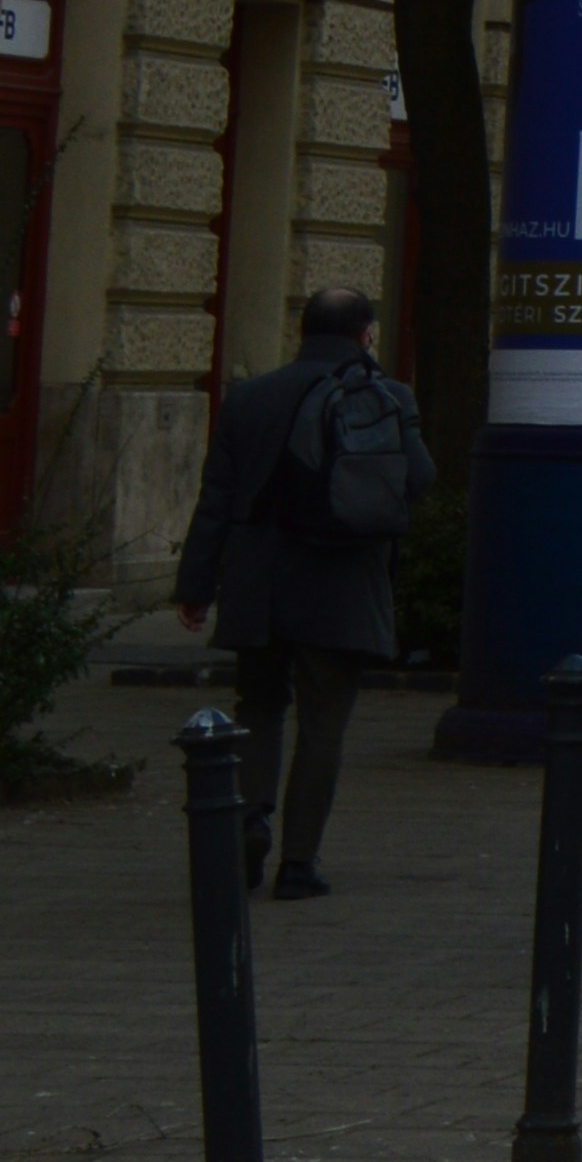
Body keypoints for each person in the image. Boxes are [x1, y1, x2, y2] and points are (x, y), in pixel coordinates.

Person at [174, 285, 420, 898]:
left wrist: (196, 586)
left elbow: (217, 502)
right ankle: (299, 863)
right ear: (366, 334)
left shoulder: (249, 399)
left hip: (259, 582)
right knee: (324, 724)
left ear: (301, 332)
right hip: (342, 583)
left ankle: (251, 816)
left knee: (257, 707)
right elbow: (419, 478)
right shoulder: (388, 397)